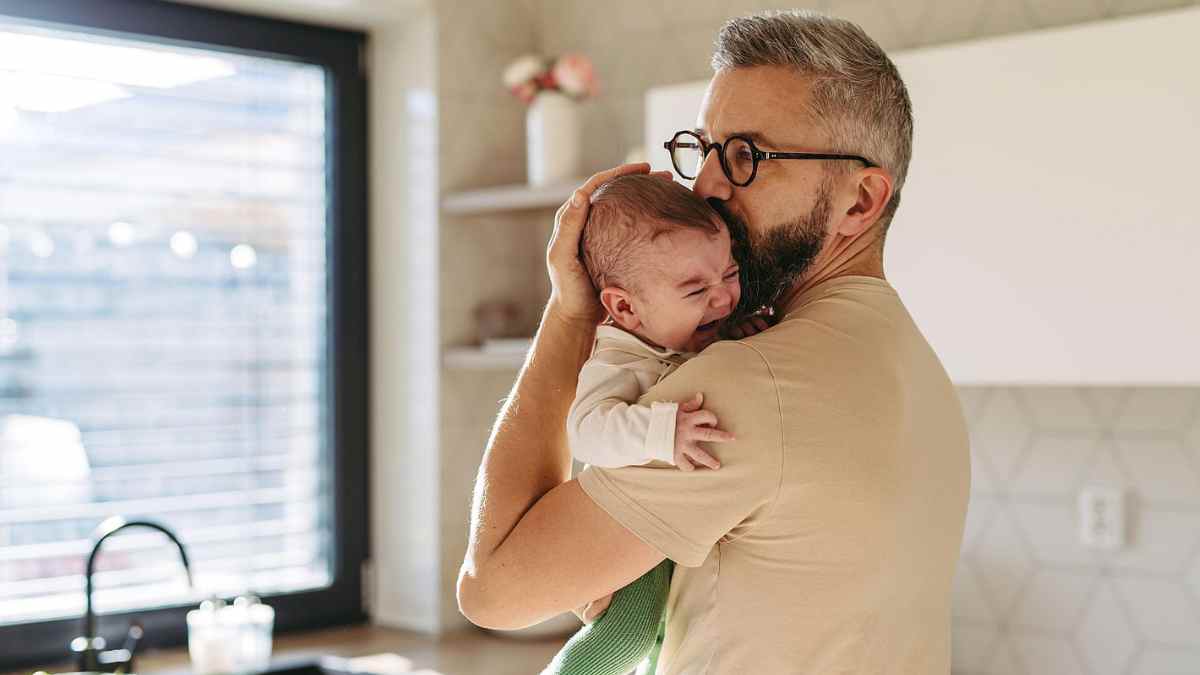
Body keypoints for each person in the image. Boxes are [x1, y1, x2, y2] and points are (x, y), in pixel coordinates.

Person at [458, 10, 970, 674]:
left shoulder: (750, 384)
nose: (705, 185)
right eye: (704, 148)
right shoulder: (920, 370)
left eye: (746, 156)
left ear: (861, 201)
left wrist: (571, 310)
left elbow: (493, 587)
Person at [545, 175, 767, 675]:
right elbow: (588, 432)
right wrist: (663, 431)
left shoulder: (687, 333)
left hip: (673, 524)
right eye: (695, 289)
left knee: (663, 643)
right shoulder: (618, 359)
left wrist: (737, 335)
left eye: (730, 273)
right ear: (625, 307)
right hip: (626, 522)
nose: (723, 298)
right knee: (627, 635)